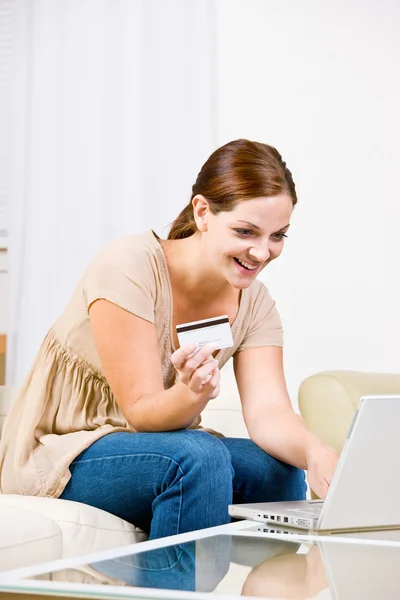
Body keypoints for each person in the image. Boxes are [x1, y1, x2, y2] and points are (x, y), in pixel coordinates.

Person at [0, 139, 338, 539]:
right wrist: (191, 394)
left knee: (277, 469)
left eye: (277, 236)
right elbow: (141, 412)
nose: (262, 252)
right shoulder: (129, 265)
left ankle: (267, 590)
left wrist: (317, 452)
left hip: (160, 449)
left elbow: (270, 414)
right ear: (203, 212)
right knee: (198, 457)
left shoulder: (255, 302)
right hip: (66, 450)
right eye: (246, 231)